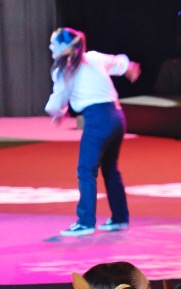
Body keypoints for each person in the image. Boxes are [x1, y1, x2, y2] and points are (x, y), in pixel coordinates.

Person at [45, 27, 141, 237]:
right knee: (110, 168)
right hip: (117, 117)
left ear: (65, 47)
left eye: (54, 43)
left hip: (98, 120)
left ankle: (86, 222)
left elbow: (58, 99)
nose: (50, 47)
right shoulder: (94, 58)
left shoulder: (64, 70)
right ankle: (120, 218)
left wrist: (56, 112)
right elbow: (119, 63)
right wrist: (129, 67)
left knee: (86, 170)